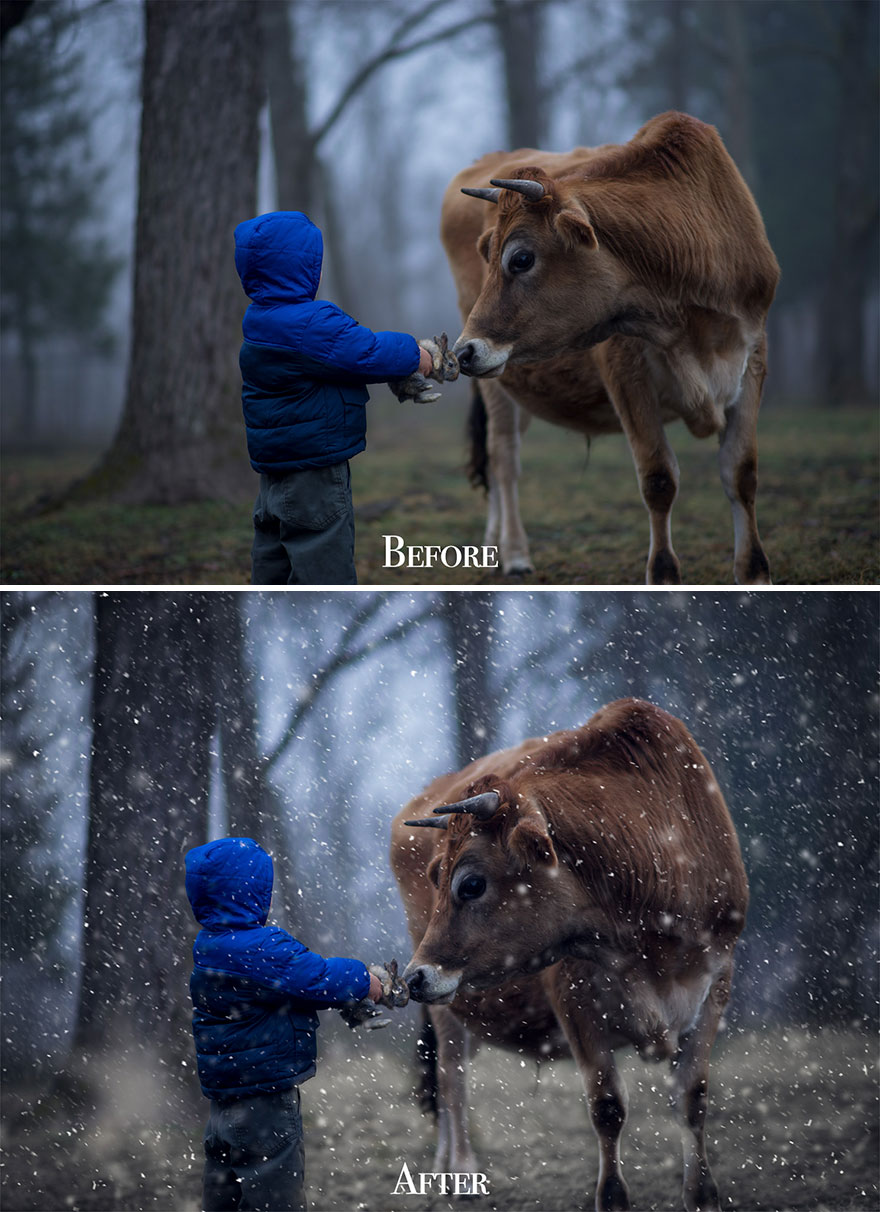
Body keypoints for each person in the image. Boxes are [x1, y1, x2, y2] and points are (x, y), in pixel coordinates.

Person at [234, 210, 446, 585]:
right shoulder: (309, 323)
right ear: (305, 266)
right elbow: (366, 352)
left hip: (275, 476)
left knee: (273, 561)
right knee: (324, 566)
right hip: (313, 478)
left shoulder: (260, 319)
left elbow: (337, 366)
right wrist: (418, 355)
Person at [184, 836, 383, 1212]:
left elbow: (290, 990)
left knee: (224, 1201)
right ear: (256, 896)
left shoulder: (209, 946)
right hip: (265, 1110)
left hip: (223, 1109)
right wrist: (364, 979)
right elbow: (317, 978)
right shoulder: (259, 949)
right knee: (276, 1202)